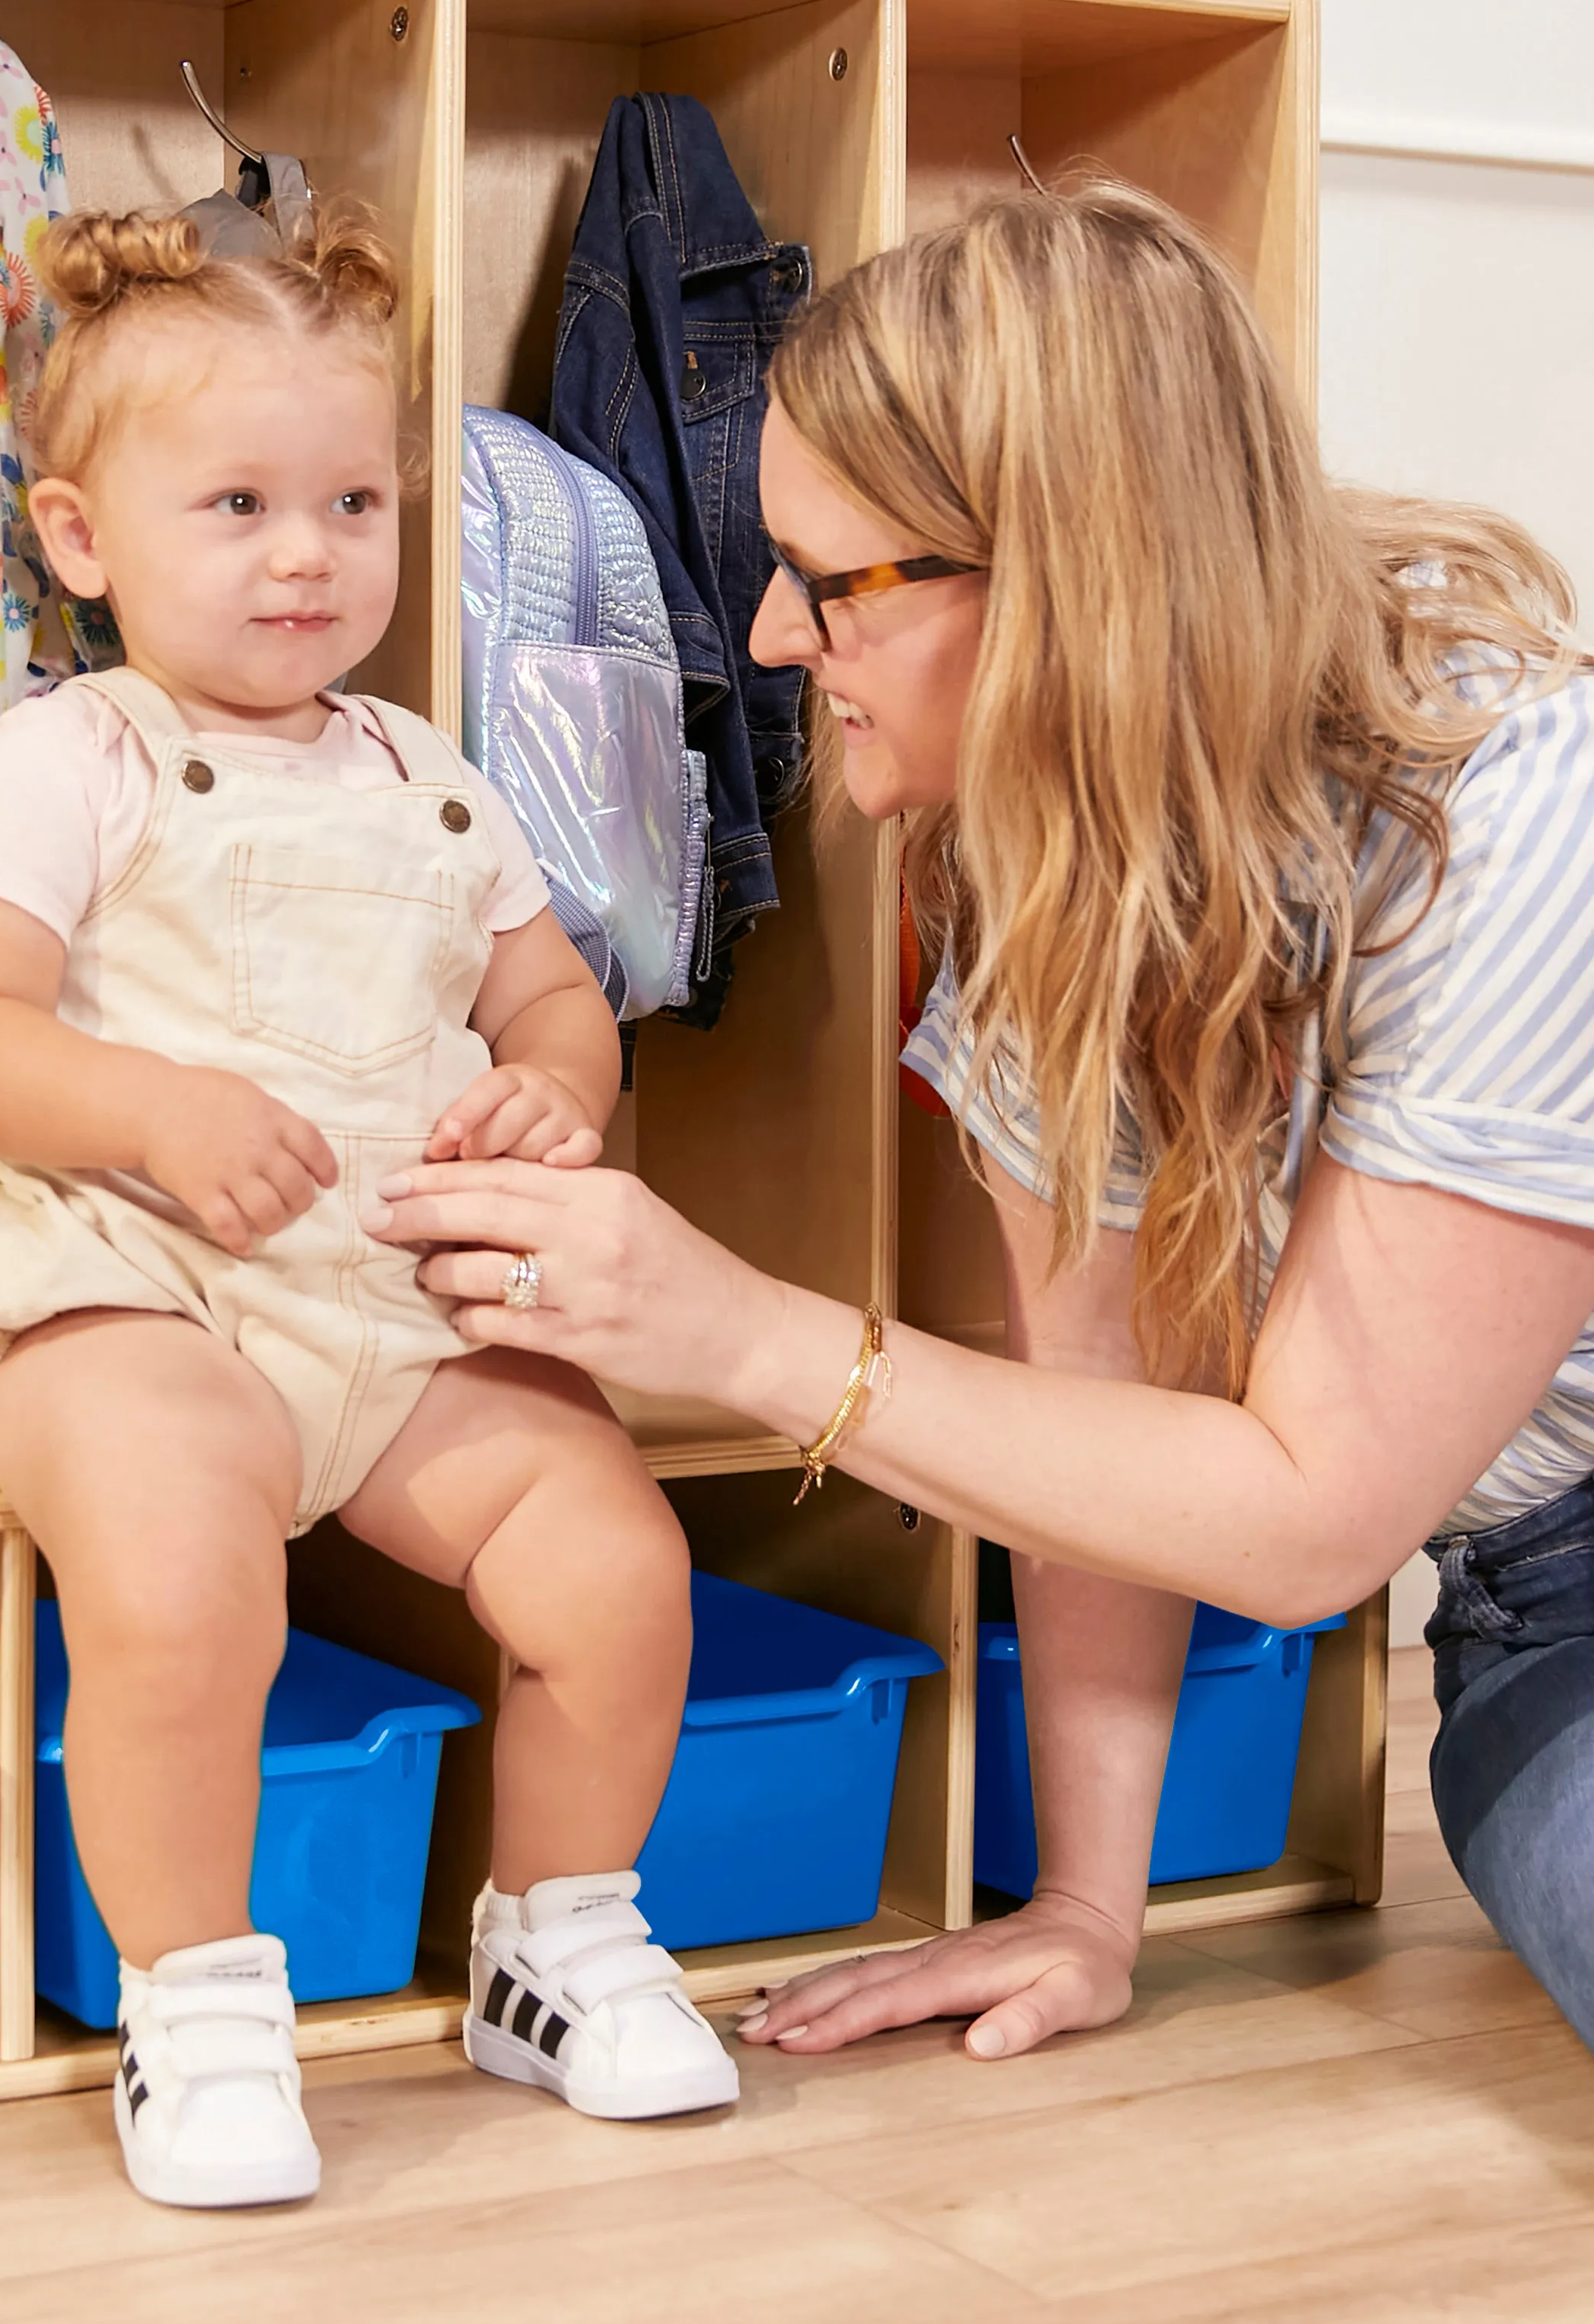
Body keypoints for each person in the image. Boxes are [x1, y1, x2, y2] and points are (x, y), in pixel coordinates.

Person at [371, 178, 1594, 2067]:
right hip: (1547, 1607)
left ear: (1058, 577)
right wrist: (1085, 1908)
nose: (772, 639)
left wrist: (740, 1332)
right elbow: (1106, 1410)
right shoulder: (1038, 853)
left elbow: (1305, 1525)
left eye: (828, 579)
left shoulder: (1516, 818)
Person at [0, 204, 737, 2212]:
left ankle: (561, 1934)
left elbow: (546, 987)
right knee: (186, 1585)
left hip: (398, 1300)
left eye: (353, 500)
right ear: (86, 540)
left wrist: (563, 1079)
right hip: (139, 1288)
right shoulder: (70, 753)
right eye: (243, 503)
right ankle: (189, 2001)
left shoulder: (429, 772)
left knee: (616, 1560)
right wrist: (152, 1108)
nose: (308, 551)